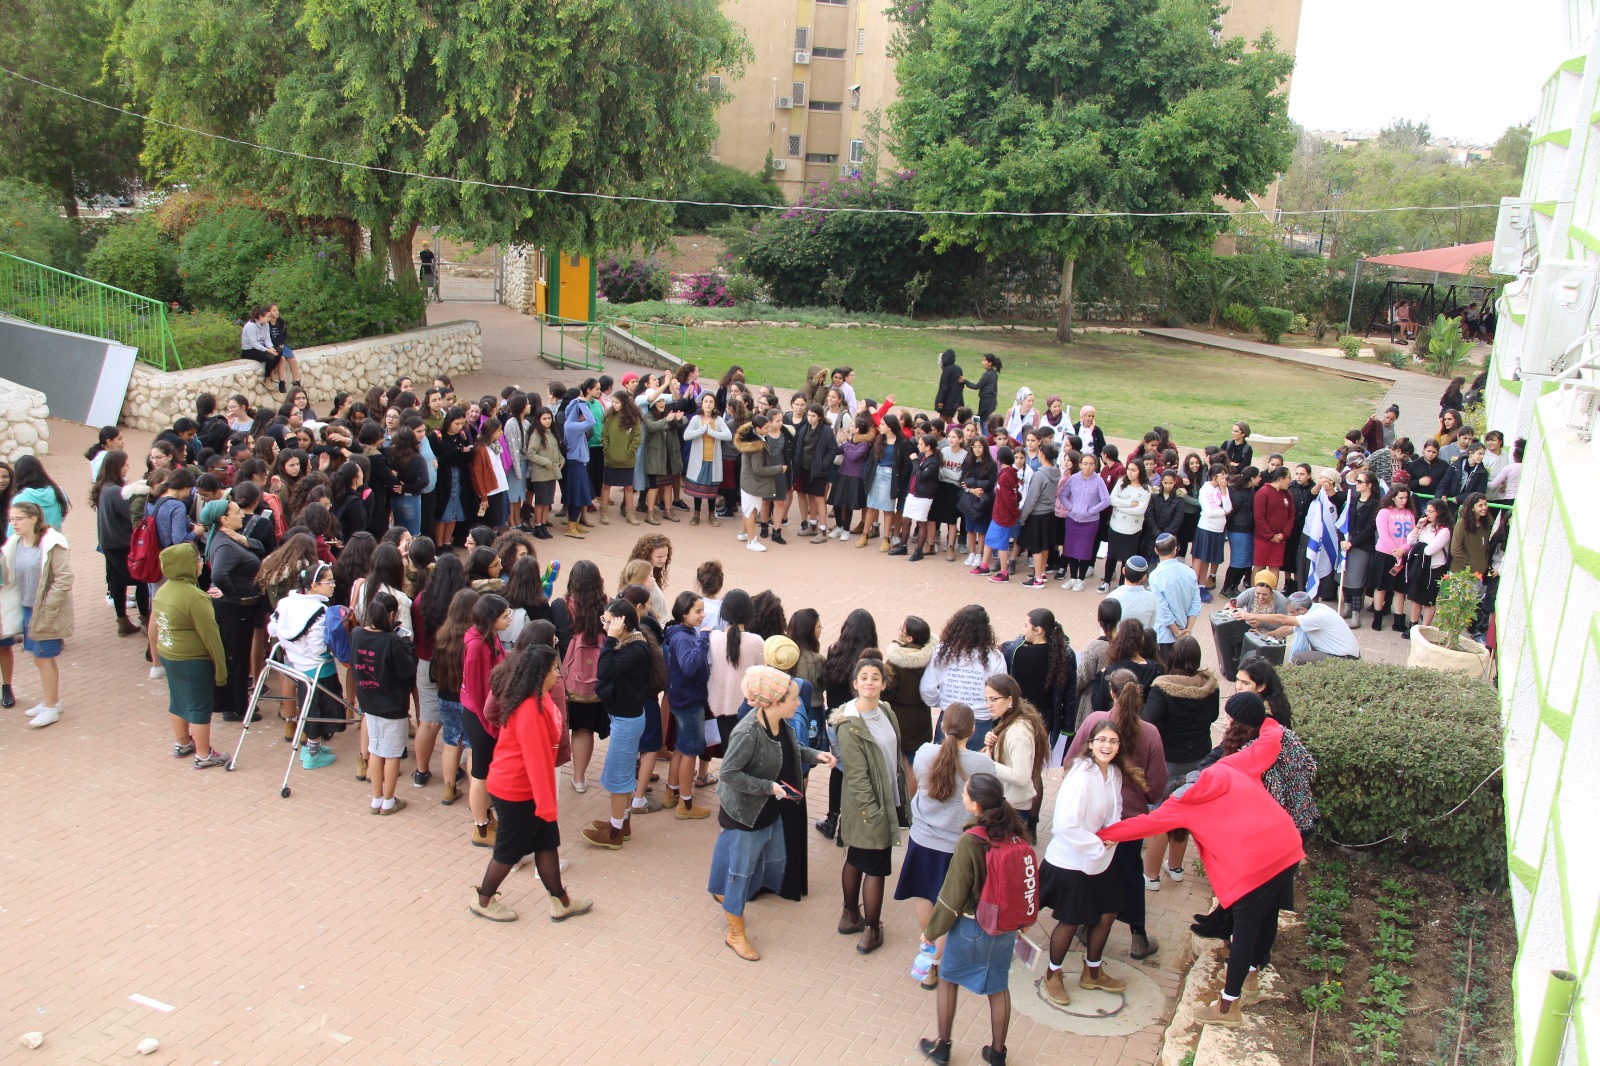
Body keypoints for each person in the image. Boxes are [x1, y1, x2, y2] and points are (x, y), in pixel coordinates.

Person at [1099, 710, 1304, 1029]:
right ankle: (1250, 978)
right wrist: (1263, 717)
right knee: (1268, 916)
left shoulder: (1183, 804)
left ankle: (1228, 1007)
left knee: (1244, 931)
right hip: (1288, 846)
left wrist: (1102, 835)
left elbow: (1143, 824)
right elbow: (1270, 742)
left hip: (1255, 866)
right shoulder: (1231, 765)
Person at [708, 665, 833, 960]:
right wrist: (768, 787)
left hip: (767, 807)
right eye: (793, 697)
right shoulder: (748, 731)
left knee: (767, 858)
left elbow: (790, 749)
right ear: (774, 701)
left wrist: (815, 755)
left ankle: (720, 891)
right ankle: (735, 931)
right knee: (741, 870)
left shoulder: (780, 722)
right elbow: (728, 773)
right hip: (746, 812)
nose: (799, 702)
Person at [470, 641, 593, 923]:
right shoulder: (530, 709)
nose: (558, 674)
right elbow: (537, 763)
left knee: (546, 842)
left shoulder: (537, 699)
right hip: (515, 790)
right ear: (540, 674)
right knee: (509, 849)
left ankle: (561, 901)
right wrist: (547, 806)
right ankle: (483, 899)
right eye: (554, 669)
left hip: (525, 789)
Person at [916, 771, 1029, 1066]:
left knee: (949, 979)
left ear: (977, 805)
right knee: (998, 987)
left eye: (966, 793)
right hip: (1004, 927)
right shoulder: (1015, 829)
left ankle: (942, 1047)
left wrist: (932, 931)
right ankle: (998, 1053)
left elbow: (953, 895)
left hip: (972, 926)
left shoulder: (971, 840)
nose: (963, 795)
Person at [1038, 718, 1145, 1006]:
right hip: (1071, 861)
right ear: (1090, 743)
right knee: (1070, 921)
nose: (1107, 746)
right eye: (1102, 740)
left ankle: (1093, 972)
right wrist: (1097, 843)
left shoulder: (1114, 773)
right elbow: (1064, 826)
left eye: (1112, 741)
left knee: (1108, 912)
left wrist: (1112, 835)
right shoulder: (1081, 776)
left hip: (1100, 860)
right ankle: (1053, 975)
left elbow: (1116, 811)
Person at [1065, 671, 1166, 959]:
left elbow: (1070, 761)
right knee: (1130, 876)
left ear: (1111, 692)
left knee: (1092, 873)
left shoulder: (1094, 722)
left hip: (1093, 818)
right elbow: (1156, 786)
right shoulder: (1151, 733)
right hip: (1129, 823)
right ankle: (1138, 937)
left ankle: (1085, 926)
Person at [897, 703, 996, 990]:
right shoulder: (982, 764)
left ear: (942, 726)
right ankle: (939, 960)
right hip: (960, 848)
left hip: (924, 840)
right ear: (973, 730)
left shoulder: (926, 754)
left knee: (925, 898)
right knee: (950, 905)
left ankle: (928, 960)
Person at [831, 653, 914, 954]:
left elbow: (895, 754)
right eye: (864, 677)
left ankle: (850, 915)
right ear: (854, 683)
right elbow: (856, 775)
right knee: (875, 867)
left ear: (883, 683)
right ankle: (871, 930)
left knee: (856, 857)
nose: (869, 682)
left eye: (875, 678)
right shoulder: (849, 724)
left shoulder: (887, 711)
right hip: (867, 806)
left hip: (884, 799)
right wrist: (873, 812)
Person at [581, 599, 662, 849]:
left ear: (621, 624)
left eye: (607, 621)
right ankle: (621, 822)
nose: (603, 625)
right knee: (623, 775)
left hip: (627, 722)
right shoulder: (632, 643)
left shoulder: (633, 648)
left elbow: (604, 671)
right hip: (625, 718)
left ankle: (615, 833)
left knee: (618, 779)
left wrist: (611, 640)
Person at [1140, 636, 1219, 887]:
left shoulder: (1162, 688)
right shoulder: (1210, 686)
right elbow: (1214, 714)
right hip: (1199, 759)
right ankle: (1175, 868)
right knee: (1184, 815)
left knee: (1161, 817)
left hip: (1168, 761)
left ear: (1172, 657)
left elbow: (1148, 721)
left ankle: (1150, 875)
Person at [150, 544, 228, 765]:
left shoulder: (163, 590)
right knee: (200, 706)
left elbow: (155, 625)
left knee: (178, 700)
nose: (201, 562)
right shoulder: (194, 597)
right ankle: (204, 755)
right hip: (193, 661)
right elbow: (211, 638)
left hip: (169, 654)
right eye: (197, 559)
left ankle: (183, 742)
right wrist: (221, 672)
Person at [266, 561, 349, 768]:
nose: (333, 585)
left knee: (307, 705)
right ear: (314, 586)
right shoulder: (319, 611)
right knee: (319, 711)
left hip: (297, 666)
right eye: (329, 581)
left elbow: (273, 630)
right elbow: (317, 648)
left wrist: (293, 648)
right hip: (320, 669)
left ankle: (313, 747)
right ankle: (312, 752)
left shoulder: (286, 603)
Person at [1, 501, 73, 727]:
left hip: (43, 610)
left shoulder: (52, 543)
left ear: (34, 518)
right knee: (39, 656)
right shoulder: (16, 543)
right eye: (11, 519)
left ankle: (51, 707)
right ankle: (52, 701)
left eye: (19, 518)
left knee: (43, 657)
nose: (14, 523)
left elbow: (64, 578)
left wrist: (49, 608)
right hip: (25, 607)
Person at [353, 591, 418, 814]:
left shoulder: (357, 634)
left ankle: (376, 799)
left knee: (375, 749)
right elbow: (408, 671)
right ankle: (389, 801)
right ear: (392, 615)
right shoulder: (393, 640)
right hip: (392, 706)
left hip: (369, 703)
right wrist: (407, 647)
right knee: (392, 755)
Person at [920, 605, 1007, 750]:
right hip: (980, 723)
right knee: (977, 769)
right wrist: (989, 714)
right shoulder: (995, 656)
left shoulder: (943, 651)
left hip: (949, 720)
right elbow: (1002, 692)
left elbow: (927, 688)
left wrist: (941, 704)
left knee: (942, 768)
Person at [461, 594, 511, 848]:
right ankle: (480, 827)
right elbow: (479, 693)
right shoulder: (476, 648)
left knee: (486, 771)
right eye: (505, 616)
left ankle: (487, 817)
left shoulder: (490, 637)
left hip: (489, 716)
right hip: (481, 718)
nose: (510, 619)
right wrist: (491, 726)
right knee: (480, 774)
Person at [90, 449, 148, 637]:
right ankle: (146, 617)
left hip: (109, 543)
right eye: (125, 465)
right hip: (123, 543)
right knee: (141, 580)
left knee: (117, 582)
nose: (128, 468)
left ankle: (122, 619)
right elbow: (131, 514)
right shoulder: (116, 492)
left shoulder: (103, 487)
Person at [981, 674, 1048, 836]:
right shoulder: (1010, 720)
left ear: (1010, 700)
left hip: (1013, 808)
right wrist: (992, 740)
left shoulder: (1019, 732)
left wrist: (990, 763)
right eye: (986, 699)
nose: (988, 705)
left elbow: (1021, 776)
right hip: (1008, 804)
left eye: (993, 699)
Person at [1240, 591, 1361, 664]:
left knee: (1297, 657)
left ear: (1302, 610)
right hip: (1339, 653)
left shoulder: (1315, 616)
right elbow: (1288, 628)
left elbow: (1283, 620)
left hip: (1345, 659)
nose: (1290, 615)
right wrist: (1265, 636)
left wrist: (1251, 615)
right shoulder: (1314, 609)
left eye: (1292, 612)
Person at [1056, 452, 1109, 591]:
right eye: (1085, 463)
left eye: (1091, 464)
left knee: (1085, 550)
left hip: (1090, 522)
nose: (1088, 467)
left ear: (1095, 466)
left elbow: (1106, 500)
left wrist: (1091, 511)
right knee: (1071, 549)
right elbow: (1062, 495)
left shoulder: (1098, 481)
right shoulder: (1073, 478)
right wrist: (1071, 507)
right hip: (1072, 519)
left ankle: (1081, 579)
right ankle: (1073, 577)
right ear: (1080, 465)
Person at [884, 615, 935, 758]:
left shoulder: (895, 662)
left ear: (910, 639)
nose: (898, 631)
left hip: (900, 723)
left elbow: (887, 692)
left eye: (901, 629)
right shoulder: (932, 658)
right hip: (922, 720)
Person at [1100, 461, 1150, 592]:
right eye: (1129, 469)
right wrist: (1129, 504)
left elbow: (1140, 510)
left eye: (1134, 470)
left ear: (1140, 471)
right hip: (1116, 526)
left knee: (1126, 559)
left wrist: (1120, 507)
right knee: (1111, 555)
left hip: (1132, 530)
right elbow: (1112, 499)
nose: (1130, 472)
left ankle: (1122, 584)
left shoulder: (1146, 489)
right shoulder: (1121, 482)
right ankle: (1107, 581)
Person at [1405, 499, 1453, 631]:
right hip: (1420, 566)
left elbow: (1430, 550)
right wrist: (1418, 526)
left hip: (1434, 568)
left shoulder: (1444, 531)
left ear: (1440, 513)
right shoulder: (1425, 526)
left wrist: (1419, 545)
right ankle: (1413, 625)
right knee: (1415, 597)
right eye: (1427, 511)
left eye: (1432, 511)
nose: (1428, 514)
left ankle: (1425, 629)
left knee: (1428, 600)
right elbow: (1410, 540)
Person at [1149, 533, 1200, 650]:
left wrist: (1177, 633)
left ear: (1156, 551)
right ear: (1175, 550)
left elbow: (1163, 609)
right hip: (1186, 635)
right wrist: (1187, 631)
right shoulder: (1190, 572)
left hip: (1164, 636)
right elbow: (1196, 603)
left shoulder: (1155, 576)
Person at [1252, 466, 1295, 587]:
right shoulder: (1263, 492)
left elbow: (1291, 516)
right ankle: (1255, 592)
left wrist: (1283, 534)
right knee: (1259, 565)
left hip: (1280, 539)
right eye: (1289, 477)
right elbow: (1259, 517)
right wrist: (1270, 535)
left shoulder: (1287, 494)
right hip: (1263, 538)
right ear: (1281, 478)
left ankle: (1272, 594)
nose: (1290, 480)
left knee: (1275, 566)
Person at [1104, 556, 1156, 630]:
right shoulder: (1152, 598)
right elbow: (1152, 626)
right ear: (1144, 577)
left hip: (1118, 641)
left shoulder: (1112, 597)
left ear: (1124, 571)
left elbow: (1106, 630)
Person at [961, 353, 1001, 423]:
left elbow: (976, 386)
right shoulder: (994, 374)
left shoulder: (987, 375)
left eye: (985, 361)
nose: (983, 362)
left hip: (986, 401)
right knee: (984, 420)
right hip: (992, 401)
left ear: (990, 363)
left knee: (982, 421)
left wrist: (965, 381)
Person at [934, 349, 964, 419]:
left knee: (941, 419)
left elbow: (944, 387)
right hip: (955, 401)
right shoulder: (958, 369)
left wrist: (940, 400)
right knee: (949, 420)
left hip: (946, 401)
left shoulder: (947, 370)